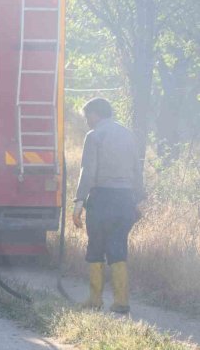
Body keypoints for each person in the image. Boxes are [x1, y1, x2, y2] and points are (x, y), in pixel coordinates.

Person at [73, 97, 145, 314]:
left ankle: (95, 299)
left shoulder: (94, 136)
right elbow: (136, 169)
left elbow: (88, 171)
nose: (87, 121)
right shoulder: (128, 134)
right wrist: (137, 199)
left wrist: (78, 202)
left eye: (87, 117)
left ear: (95, 114)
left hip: (102, 199)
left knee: (96, 246)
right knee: (118, 247)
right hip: (125, 200)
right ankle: (121, 301)